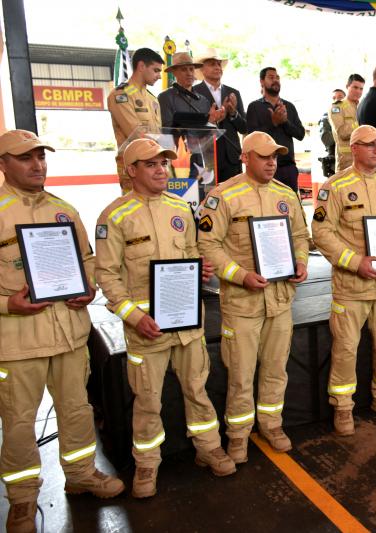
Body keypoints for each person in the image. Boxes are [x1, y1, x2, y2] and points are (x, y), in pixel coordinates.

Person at [95, 138, 236, 498]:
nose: (161, 170)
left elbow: (191, 253)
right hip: (146, 329)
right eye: (151, 164)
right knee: (147, 401)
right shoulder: (114, 216)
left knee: (197, 389)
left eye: (163, 163)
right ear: (131, 170)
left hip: (187, 321)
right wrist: (133, 316)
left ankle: (209, 448)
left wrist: (200, 269)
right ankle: (147, 464)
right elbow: (107, 276)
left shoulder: (180, 207)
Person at [0, 130, 124, 533]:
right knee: (19, 423)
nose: (38, 165)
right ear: (3, 164)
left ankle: (82, 474)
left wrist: (88, 287)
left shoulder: (64, 210)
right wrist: (8, 304)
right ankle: (22, 500)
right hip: (19, 341)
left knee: (77, 409)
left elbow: (87, 260)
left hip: (69, 333)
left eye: (41, 156)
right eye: (26, 158)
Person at [197, 132, 310, 459]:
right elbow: (207, 245)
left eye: (274, 156)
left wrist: (301, 262)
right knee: (241, 374)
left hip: (279, 299)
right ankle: (238, 435)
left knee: (276, 369)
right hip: (242, 302)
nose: (271, 163)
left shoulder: (285, 194)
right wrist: (240, 275)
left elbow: (300, 236)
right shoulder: (223, 196)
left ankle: (272, 424)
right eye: (263, 156)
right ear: (245, 157)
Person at [312, 125, 376, 436]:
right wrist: (355, 262)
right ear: (354, 148)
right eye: (370, 145)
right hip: (352, 287)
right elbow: (321, 233)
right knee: (346, 348)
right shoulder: (335, 187)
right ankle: (343, 406)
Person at [107, 47, 164, 193]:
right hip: (133, 164)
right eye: (156, 70)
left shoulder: (152, 98)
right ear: (141, 66)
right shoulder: (120, 95)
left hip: (155, 162)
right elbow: (134, 133)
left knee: (156, 204)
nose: (159, 76)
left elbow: (159, 133)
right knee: (135, 205)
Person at [246, 67, 306, 191]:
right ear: (262, 81)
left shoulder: (289, 106)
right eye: (271, 77)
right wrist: (273, 123)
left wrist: (285, 122)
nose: (276, 80)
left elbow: (300, 134)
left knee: (290, 202)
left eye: (277, 77)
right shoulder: (254, 107)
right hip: (264, 168)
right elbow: (252, 138)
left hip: (288, 167)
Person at [193, 49, 247, 183]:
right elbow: (193, 129)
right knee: (209, 195)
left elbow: (244, 128)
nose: (217, 67)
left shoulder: (233, 92)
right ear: (202, 69)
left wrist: (233, 113)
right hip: (206, 157)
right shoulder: (194, 93)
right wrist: (213, 120)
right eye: (212, 64)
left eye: (218, 64)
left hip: (231, 157)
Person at [157, 52, 225, 130]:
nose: (189, 73)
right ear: (174, 72)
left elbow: (210, 131)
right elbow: (166, 129)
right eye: (184, 69)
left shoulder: (203, 100)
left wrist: (213, 121)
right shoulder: (165, 97)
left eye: (191, 69)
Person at [330, 74, 364, 172]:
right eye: (355, 87)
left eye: (361, 89)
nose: (358, 91)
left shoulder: (362, 106)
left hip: (362, 160)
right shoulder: (337, 107)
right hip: (346, 162)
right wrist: (362, 127)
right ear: (347, 86)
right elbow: (342, 133)